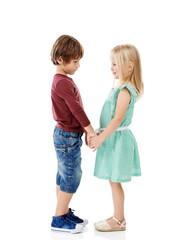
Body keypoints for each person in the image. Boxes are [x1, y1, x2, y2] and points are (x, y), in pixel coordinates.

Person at [89, 44, 144, 232]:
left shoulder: (125, 91)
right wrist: (99, 131)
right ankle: (116, 216)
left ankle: (119, 220)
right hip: (113, 139)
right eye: (111, 63)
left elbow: (118, 119)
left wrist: (101, 138)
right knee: (113, 181)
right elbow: (109, 119)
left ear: (130, 66)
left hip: (119, 141)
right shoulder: (117, 88)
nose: (111, 68)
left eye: (115, 64)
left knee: (115, 181)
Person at [50, 35, 95, 233]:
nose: (78, 65)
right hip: (67, 136)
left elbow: (74, 110)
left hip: (68, 134)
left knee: (64, 173)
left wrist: (82, 130)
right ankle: (58, 219)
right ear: (61, 59)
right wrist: (91, 130)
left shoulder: (62, 80)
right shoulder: (62, 83)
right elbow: (76, 109)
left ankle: (63, 211)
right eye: (75, 61)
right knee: (71, 175)